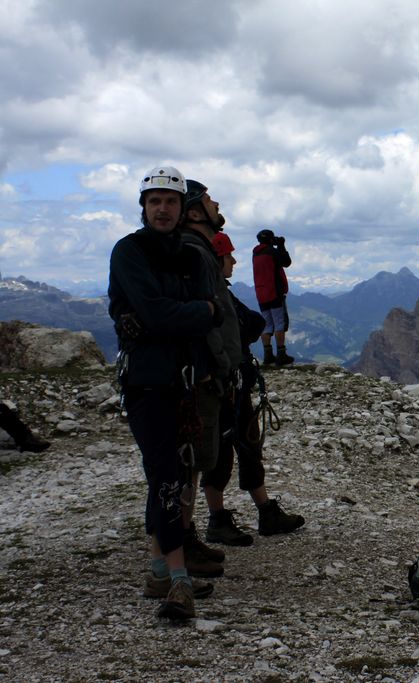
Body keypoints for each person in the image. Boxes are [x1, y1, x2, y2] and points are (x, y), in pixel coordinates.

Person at [107, 165, 219, 620]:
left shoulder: (190, 256)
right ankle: (177, 581)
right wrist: (191, 311)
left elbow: (206, 312)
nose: (162, 208)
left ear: (181, 208)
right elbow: (159, 314)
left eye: (170, 201)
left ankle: (158, 570)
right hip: (147, 382)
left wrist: (181, 314)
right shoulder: (129, 252)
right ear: (144, 207)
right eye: (155, 201)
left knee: (172, 474)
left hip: (184, 380)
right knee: (167, 478)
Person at [202, 232, 306, 546]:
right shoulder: (214, 295)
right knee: (224, 451)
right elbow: (245, 325)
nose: (234, 261)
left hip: (235, 380)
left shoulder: (222, 289)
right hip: (224, 383)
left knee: (245, 446)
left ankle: (264, 511)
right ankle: (219, 519)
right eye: (229, 257)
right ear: (217, 259)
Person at [177, 178, 242, 579]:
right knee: (187, 465)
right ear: (196, 210)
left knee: (195, 462)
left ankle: (185, 540)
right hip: (200, 375)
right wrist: (218, 366)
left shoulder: (197, 249)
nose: (217, 203)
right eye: (209, 199)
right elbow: (204, 316)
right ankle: (177, 547)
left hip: (207, 372)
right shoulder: (193, 252)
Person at [252, 229, 294, 366]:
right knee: (279, 323)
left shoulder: (255, 253)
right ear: (271, 239)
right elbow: (286, 262)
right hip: (274, 292)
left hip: (261, 294)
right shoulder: (272, 252)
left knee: (267, 324)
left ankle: (268, 355)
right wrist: (281, 245)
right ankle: (281, 354)